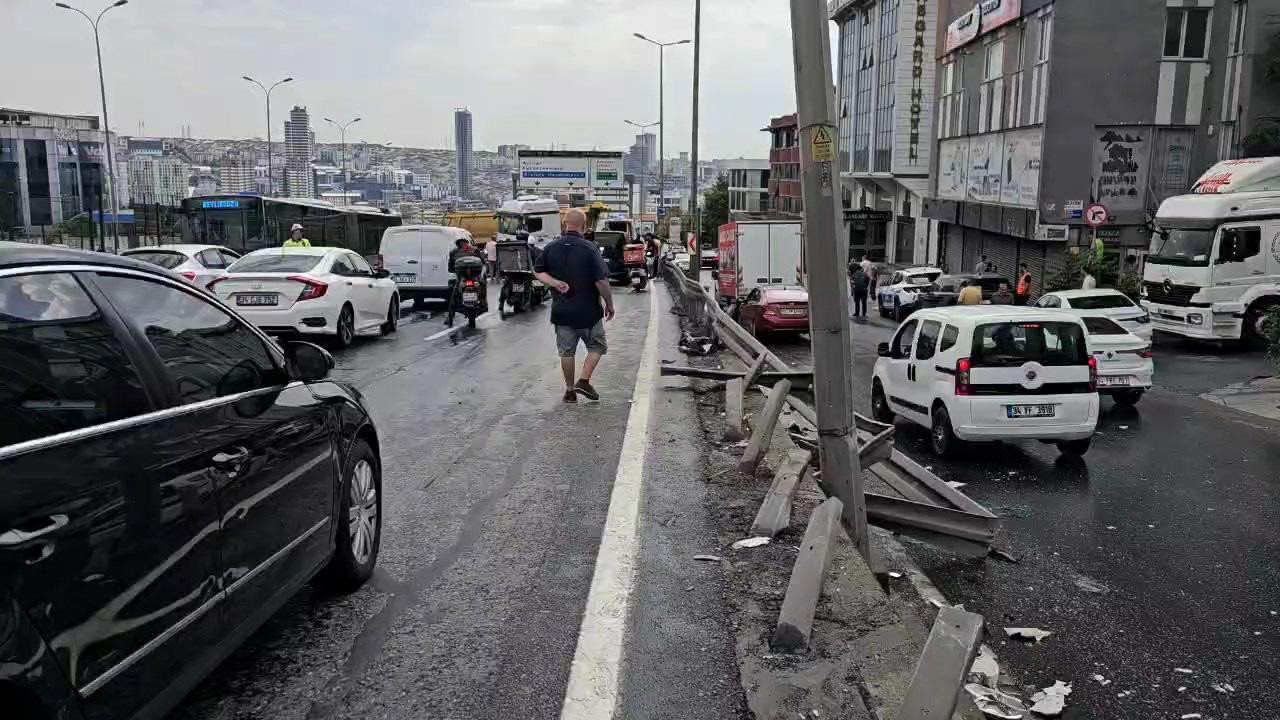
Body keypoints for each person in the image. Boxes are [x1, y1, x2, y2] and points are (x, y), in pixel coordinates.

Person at [534, 208, 616, 404]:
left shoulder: (551, 247)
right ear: (584, 226)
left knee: (566, 352)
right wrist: (609, 304)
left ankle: (570, 391)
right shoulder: (589, 248)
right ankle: (584, 380)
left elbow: (538, 271)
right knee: (597, 346)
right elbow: (601, 282)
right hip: (589, 312)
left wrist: (555, 283)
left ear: (565, 223)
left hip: (562, 311)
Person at [444, 237, 482, 327]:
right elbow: (482, 262)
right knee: (482, 290)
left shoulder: (454, 252)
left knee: (453, 297)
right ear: (467, 242)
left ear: (458, 244)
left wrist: (455, 271)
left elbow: (450, 267)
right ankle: (483, 307)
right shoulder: (475, 250)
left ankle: (450, 318)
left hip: (461, 278)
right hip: (474, 277)